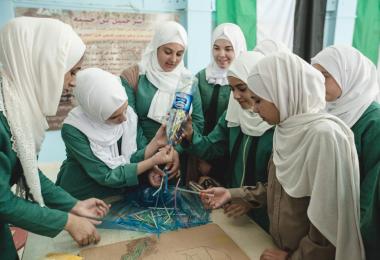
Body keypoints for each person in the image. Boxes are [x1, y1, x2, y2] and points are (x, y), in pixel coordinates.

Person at [201, 52, 365, 260]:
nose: (255, 108)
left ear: (283, 93)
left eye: (259, 100)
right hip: (280, 246)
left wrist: (295, 257)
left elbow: (328, 220)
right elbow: (279, 188)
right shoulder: (285, 127)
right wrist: (232, 194)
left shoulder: (322, 136)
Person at [0, 17, 109, 258]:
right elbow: (2, 200)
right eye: (71, 71)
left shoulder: (17, 106)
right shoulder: (3, 115)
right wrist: (67, 222)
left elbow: (25, 170)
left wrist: (74, 205)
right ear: (45, 64)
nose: (73, 82)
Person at [182, 51, 273, 230]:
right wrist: (191, 135)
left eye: (242, 88)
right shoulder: (233, 114)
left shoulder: (276, 121)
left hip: (267, 214)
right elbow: (211, 147)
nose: (236, 96)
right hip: (233, 207)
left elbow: (279, 186)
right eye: (232, 89)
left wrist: (249, 202)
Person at [56, 68, 174, 200]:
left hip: (118, 196)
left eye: (125, 109)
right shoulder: (73, 129)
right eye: (114, 117)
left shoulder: (126, 112)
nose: (124, 119)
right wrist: (152, 161)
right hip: (81, 199)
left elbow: (131, 158)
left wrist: (156, 142)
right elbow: (107, 176)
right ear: (95, 112)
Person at [311, 45, 380, 260]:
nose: (319, 83)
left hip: (355, 231)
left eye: (325, 76)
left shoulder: (373, 122)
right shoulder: (325, 112)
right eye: (316, 75)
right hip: (326, 223)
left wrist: (349, 239)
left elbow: (370, 193)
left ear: (347, 74)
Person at [120, 21, 204, 180]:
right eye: (168, 51)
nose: (173, 59)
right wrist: (151, 157)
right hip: (138, 157)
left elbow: (197, 124)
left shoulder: (188, 81)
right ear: (156, 47)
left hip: (175, 162)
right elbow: (129, 123)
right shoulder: (133, 77)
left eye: (179, 54)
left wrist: (175, 152)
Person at [191, 23, 247, 185]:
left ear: (238, 48)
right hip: (202, 149)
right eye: (216, 48)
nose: (221, 54)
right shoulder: (201, 77)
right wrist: (202, 157)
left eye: (228, 49)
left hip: (232, 152)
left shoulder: (244, 80)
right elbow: (197, 119)